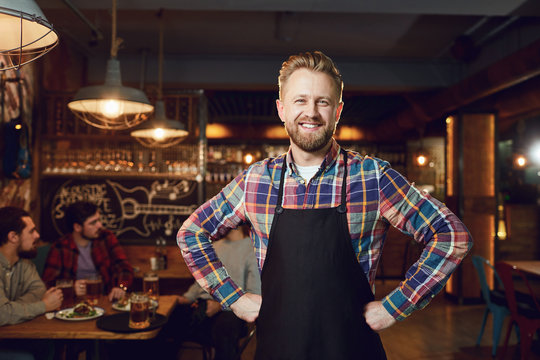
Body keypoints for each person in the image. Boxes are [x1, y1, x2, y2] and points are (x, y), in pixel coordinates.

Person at [177, 51, 473, 359]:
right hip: (278, 348)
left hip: (352, 348)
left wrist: (395, 306)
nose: (311, 112)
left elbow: (452, 235)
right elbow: (191, 233)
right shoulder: (255, 180)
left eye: (323, 101)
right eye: (300, 100)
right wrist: (233, 298)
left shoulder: (373, 177)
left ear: (338, 110)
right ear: (281, 109)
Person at [172, 225, 260, 360]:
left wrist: (220, 305)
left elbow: (253, 293)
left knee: (224, 331)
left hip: (232, 310)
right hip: (202, 305)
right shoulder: (214, 246)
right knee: (165, 322)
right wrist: (184, 299)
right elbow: (200, 281)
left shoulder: (252, 249)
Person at [0, 206, 63, 359]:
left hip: (10, 334)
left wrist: (13, 309)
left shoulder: (24, 262)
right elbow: (2, 314)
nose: (37, 235)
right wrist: (44, 305)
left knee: (48, 345)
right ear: (13, 237)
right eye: (31, 231)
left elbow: (38, 290)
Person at [42, 201, 133, 302]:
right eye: (93, 223)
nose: (99, 225)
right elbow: (47, 283)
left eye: (99, 220)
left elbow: (124, 267)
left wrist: (120, 287)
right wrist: (71, 288)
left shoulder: (106, 237)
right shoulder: (60, 247)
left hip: (104, 300)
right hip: (73, 304)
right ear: (77, 227)